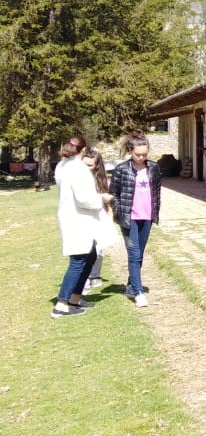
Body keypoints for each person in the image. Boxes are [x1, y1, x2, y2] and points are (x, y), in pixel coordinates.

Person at [52, 137, 108, 318]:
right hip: (78, 220)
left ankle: (75, 298)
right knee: (78, 259)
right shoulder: (78, 169)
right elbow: (84, 199)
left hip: (72, 217)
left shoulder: (62, 165)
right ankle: (62, 303)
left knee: (90, 255)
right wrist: (102, 199)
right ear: (83, 150)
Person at [109, 134, 162, 308]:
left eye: (144, 154)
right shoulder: (122, 169)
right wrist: (119, 211)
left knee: (139, 255)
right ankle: (138, 293)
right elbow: (113, 193)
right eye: (138, 154)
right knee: (134, 254)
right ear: (131, 151)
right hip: (129, 218)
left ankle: (131, 286)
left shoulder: (153, 168)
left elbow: (157, 193)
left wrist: (156, 213)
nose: (141, 158)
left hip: (146, 217)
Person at [84, 149, 119, 289]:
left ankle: (95, 275)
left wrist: (110, 219)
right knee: (84, 249)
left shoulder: (103, 181)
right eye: (84, 164)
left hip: (99, 217)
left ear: (97, 166)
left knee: (98, 249)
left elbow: (108, 203)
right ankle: (84, 276)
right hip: (83, 218)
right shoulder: (77, 179)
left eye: (90, 166)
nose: (86, 169)